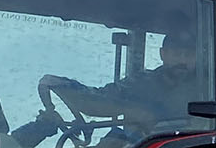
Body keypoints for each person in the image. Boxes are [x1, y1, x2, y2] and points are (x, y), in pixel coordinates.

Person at [31, 30, 202, 141]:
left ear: (197, 57)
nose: (182, 60)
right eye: (176, 53)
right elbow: (101, 101)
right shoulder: (142, 82)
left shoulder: (207, 88)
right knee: (108, 146)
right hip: (142, 146)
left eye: (188, 54)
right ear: (162, 54)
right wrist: (67, 85)